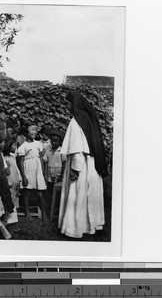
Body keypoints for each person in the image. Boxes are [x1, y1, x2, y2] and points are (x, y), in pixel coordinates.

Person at [58, 91, 108, 238]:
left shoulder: (76, 121)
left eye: (68, 104)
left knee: (78, 195)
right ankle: (92, 226)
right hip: (92, 165)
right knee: (89, 194)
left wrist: (75, 168)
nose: (67, 108)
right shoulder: (89, 119)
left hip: (81, 165)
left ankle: (76, 228)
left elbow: (77, 149)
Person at [17, 122, 47, 222]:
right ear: (26, 133)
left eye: (35, 129)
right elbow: (21, 162)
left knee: (40, 193)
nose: (34, 132)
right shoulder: (23, 147)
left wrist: (42, 171)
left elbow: (41, 158)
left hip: (37, 169)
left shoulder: (38, 144)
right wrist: (24, 177)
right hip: (28, 169)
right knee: (27, 193)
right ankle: (27, 214)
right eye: (32, 130)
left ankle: (44, 214)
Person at [43, 129, 66, 207]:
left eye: (56, 141)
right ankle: (50, 207)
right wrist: (45, 175)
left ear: (59, 141)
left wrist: (61, 176)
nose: (53, 143)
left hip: (58, 175)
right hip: (50, 175)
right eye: (52, 141)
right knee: (50, 191)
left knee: (59, 193)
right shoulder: (48, 151)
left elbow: (64, 163)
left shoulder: (62, 151)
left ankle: (58, 208)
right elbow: (46, 162)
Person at [3, 136, 22, 224]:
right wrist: (9, 183)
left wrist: (19, 180)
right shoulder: (5, 159)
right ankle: (10, 219)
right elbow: (6, 173)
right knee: (11, 199)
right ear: (8, 147)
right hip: (10, 182)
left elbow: (16, 169)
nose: (15, 147)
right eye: (14, 145)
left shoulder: (12, 156)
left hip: (15, 180)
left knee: (15, 198)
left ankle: (14, 219)